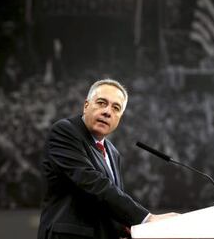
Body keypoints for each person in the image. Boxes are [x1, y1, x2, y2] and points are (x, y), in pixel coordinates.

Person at [38, 79, 177, 239]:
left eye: (116, 108)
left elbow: (108, 203)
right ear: (86, 105)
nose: (107, 112)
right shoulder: (65, 131)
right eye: (102, 103)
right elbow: (93, 183)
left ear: (119, 117)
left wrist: (131, 230)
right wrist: (146, 218)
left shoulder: (112, 152)